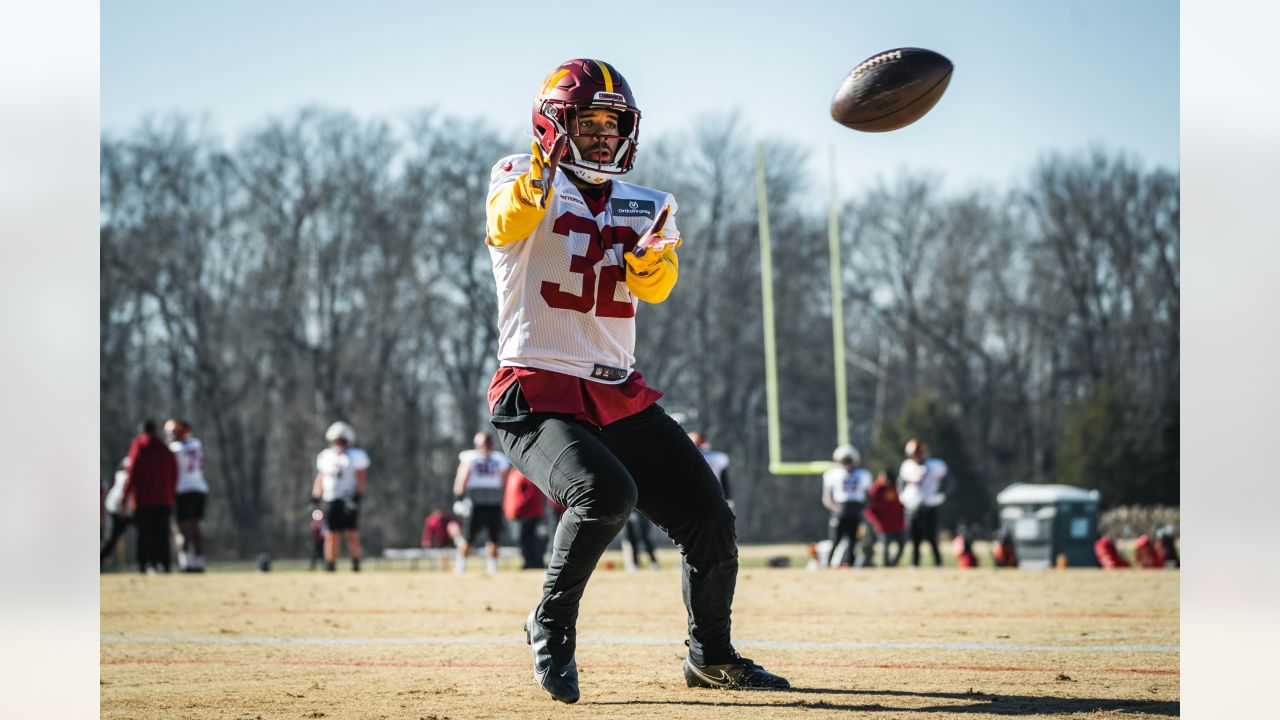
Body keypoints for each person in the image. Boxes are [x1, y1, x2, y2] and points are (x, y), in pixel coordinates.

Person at [484, 58, 788, 703]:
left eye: (612, 122)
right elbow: (508, 223)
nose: (602, 134)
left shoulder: (650, 204)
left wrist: (652, 257)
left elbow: (656, 287)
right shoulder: (517, 176)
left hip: (616, 390)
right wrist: (541, 169)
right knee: (603, 495)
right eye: (588, 121)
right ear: (552, 123)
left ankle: (711, 655)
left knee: (710, 514)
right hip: (537, 390)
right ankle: (551, 625)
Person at [311, 421, 370, 572]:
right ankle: (330, 565)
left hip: (348, 499)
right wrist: (315, 497)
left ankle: (356, 564)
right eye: (336, 441)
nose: (339, 444)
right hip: (330, 499)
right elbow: (321, 478)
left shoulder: (355, 456)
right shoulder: (326, 456)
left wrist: (357, 496)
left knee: (351, 532)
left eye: (342, 441)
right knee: (331, 533)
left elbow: (361, 477)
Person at [121, 420, 178, 573]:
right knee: (162, 534)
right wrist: (171, 494)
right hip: (163, 498)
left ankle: (144, 565)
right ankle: (165, 565)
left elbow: (132, 473)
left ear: (142, 431)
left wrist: (124, 497)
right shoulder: (165, 448)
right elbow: (174, 473)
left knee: (144, 535)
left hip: (143, 499)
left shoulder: (139, 446)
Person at [453, 431, 511, 575]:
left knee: (494, 537)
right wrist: (459, 499)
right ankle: (461, 565)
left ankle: (492, 567)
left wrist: (459, 497)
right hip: (477, 501)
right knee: (469, 536)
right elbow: (462, 479)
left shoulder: (497, 459)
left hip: (492, 501)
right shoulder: (472, 457)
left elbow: (462, 478)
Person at [165, 419, 208, 572]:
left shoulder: (173, 449)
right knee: (195, 529)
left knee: (180, 529)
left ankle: (186, 563)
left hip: (182, 490)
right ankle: (199, 562)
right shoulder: (196, 444)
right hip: (199, 489)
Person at [898, 439, 948, 568]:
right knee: (914, 537)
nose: (918, 456)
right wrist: (902, 496)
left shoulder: (935, 465)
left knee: (931, 536)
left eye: (920, 452)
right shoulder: (907, 466)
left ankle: (938, 562)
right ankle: (914, 562)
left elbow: (949, 481)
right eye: (915, 453)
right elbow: (901, 483)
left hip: (930, 505)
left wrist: (941, 495)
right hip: (912, 506)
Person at [821, 445, 872, 567]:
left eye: (849, 460)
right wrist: (834, 508)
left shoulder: (863, 475)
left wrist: (864, 509)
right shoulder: (833, 474)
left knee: (854, 540)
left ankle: (850, 564)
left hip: (855, 509)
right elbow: (827, 497)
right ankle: (827, 564)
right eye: (844, 460)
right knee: (835, 540)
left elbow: (868, 496)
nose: (847, 463)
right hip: (840, 509)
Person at [504, 469, 548, 570]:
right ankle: (529, 561)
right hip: (518, 513)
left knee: (529, 539)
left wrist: (517, 507)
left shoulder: (528, 472)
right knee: (522, 539)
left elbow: (532, 493)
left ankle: (534, 562)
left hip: (529, 513)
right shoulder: (514, 473)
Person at [863, 468, 907, 567]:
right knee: (885, 545)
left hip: (898, 523)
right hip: (883, 524)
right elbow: (869, 507)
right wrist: (874, 520)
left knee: (902, 544)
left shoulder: (897, 487)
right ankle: (885, 564)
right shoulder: (876, 489)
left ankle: (893, 563)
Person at [100, 457, 133, 569]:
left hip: (123, 509)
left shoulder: (121, 475)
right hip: (118, 509)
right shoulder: (124, 477)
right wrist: (122, 509)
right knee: (112, 539)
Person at [690, 432, 732, 510]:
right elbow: (725, 482)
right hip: (717, 499)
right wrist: (729, 501)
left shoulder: (688, 458)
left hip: (694, 499)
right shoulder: (719, 458)